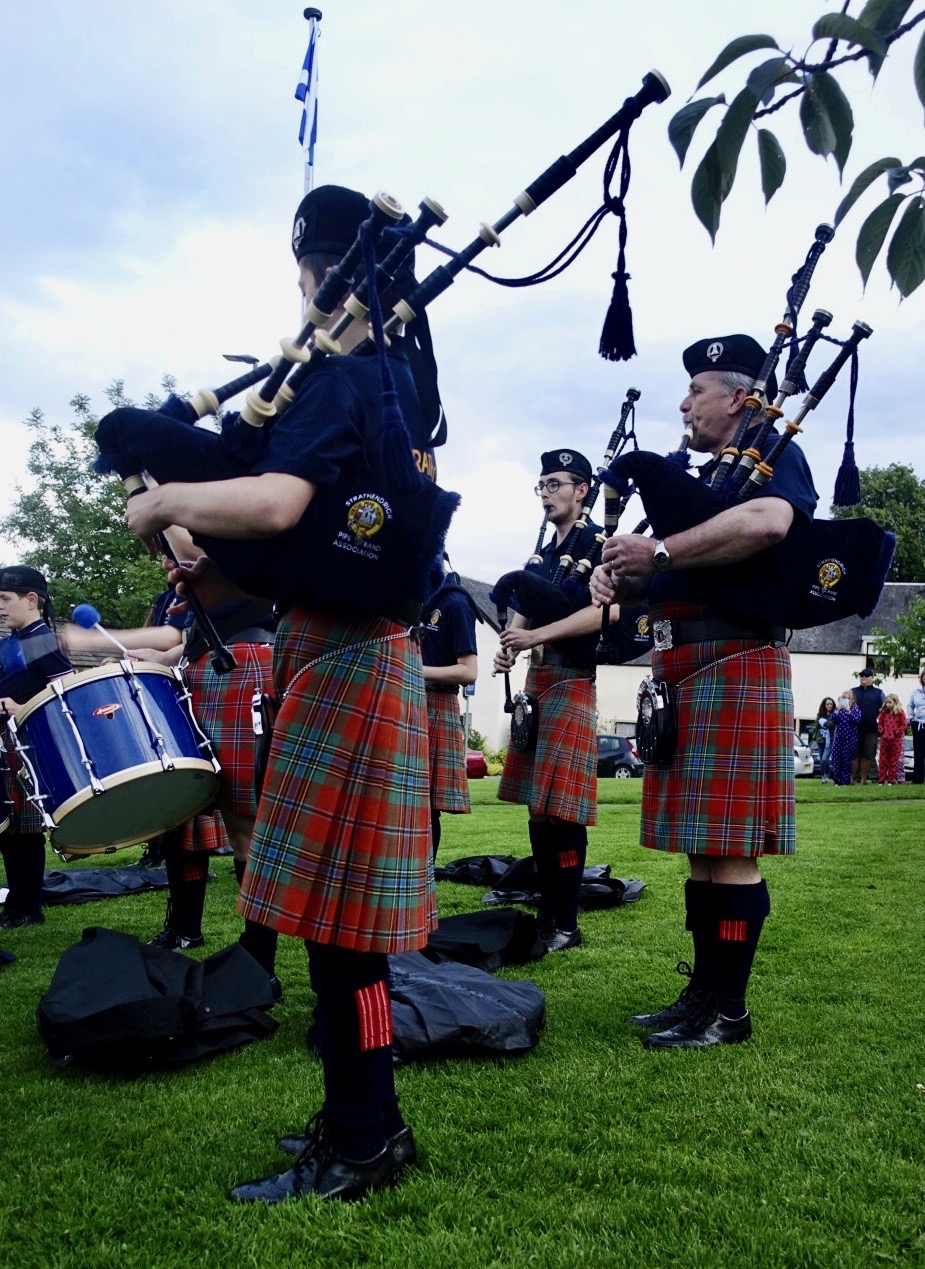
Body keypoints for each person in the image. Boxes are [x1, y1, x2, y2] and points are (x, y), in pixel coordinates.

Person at [117, 184, 451, 1204]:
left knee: (345, 933)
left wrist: (166, 496)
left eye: (303, 274)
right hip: (336, 651)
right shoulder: (383, 384)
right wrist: (195, 544)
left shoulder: (352, 380)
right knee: (342, 929)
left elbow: (277, 502)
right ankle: (366, 1122)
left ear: (319, 274)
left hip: (347, 662)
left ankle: (362, 1138)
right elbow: (294, 543)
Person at [590, 333, 818, 1049]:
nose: (683, 402)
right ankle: (701, 994)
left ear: (736, 396)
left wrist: (656, 549)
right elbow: (682, 569)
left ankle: (729, 1008)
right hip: (684, 666)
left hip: (734, 663)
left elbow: (767, 524)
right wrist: (622, 576)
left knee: (732, 849)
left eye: (695, 389)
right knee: (702, 846)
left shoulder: (774, 458)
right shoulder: (717, 476)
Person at [493, 450, 603, 954]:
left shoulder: (599, 543)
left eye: (555, 483)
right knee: (538, 810)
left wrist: (539, 633)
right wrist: (511, 643)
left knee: (563, 810)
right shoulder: (540, 555)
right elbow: (523, 607)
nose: (546, 493)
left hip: (573, 678)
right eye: (540, 485)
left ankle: (566, 922)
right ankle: (548, 911)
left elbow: (606, 614)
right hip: (539, 680)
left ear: (581, 490)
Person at [0, 566, 72, 928]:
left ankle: (27, 906)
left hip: (26, 742)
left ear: (32, 600)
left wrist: (20, 707)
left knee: (24, 831)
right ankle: (18, 901)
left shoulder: (42, 638)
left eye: (4, 599)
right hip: (7, 742)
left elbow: (66, 689)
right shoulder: (11, 641)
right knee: (10, 830)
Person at [420, 559, 478, 858]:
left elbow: (469, 672)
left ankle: (424, 880)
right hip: (406, 699)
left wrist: (416, 669)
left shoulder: (456, 603)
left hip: (437, 704)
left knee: (426, 808)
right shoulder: (412, 598)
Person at [848, 667, 884, 784]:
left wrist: (879, 719)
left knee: (868, 755)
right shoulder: (853, 691)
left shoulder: (878, 693)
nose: (864, 678)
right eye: (862, 676)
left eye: (866, 676)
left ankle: (866, 778)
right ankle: (854, 777)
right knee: (854, 754)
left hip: (871, 729)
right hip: (854, 728)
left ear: (872, 678)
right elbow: (845, 705)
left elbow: (884, 708)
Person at [830, 690, 861, 787]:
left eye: (848, 698)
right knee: (836, 757)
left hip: (850, 737)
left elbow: (857, 720)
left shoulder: (855, 709)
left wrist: (849, 711)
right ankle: (837, 780)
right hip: (839, 737)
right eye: (844, 698)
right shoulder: (838, 709)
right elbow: (833, 719)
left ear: (852, 699)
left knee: (846, 759)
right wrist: (838, 710)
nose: (846, 700)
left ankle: (845, 781)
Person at [876, 694, 907, 787]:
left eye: (890, 702)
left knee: (893, 761)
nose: (888, 704)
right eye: (887, 702)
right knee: (882, 760)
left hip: (896, 741)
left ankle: (891, 780)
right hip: (885, 739)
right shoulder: (883, 713)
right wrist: (882, 731)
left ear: (895, 702)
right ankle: (881, 780)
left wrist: (896, 733)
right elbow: (879, 723)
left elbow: (903, 724)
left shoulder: (900, 712)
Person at [907, 671, 925, 785]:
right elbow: (910, 705)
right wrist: (910, 715)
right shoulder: (916, 692)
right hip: (918, 724)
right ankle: (918, 778)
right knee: (919, 752)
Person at [814, 696, 837, 784]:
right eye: (827, 704)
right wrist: (823, 723)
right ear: (824, 705)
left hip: (830, 739)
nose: (829, 706)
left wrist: (824, 723)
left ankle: (827, 776)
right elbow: (816, 725)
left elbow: (832, 725)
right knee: (821, 760)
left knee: (825, 759)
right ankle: (823, 777)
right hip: (820, 739)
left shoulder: (834, 714)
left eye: (831, 704)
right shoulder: (820, 715)